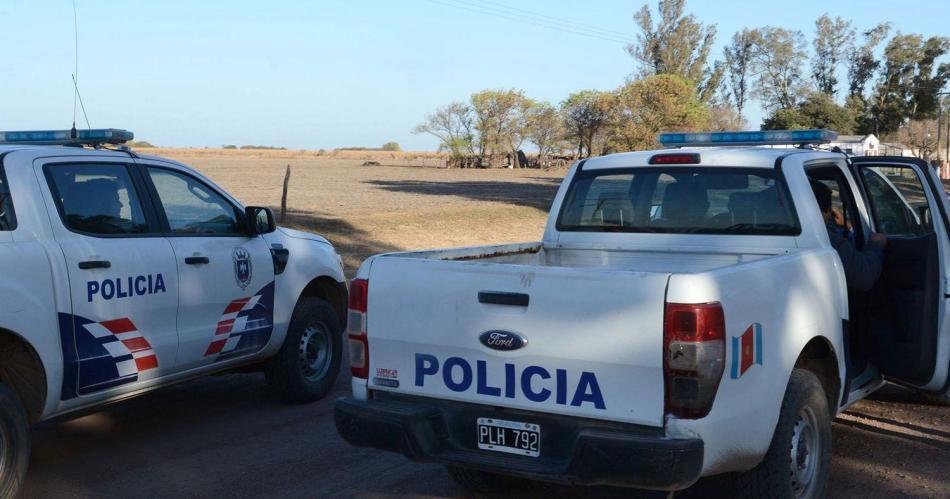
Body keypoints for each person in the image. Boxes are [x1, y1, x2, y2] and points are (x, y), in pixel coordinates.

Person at [810, 179, 887, 291]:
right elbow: (864, 276)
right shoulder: (827, 240)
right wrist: (876, 245)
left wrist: (848, 226)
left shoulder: (791, 229)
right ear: (827, 211)